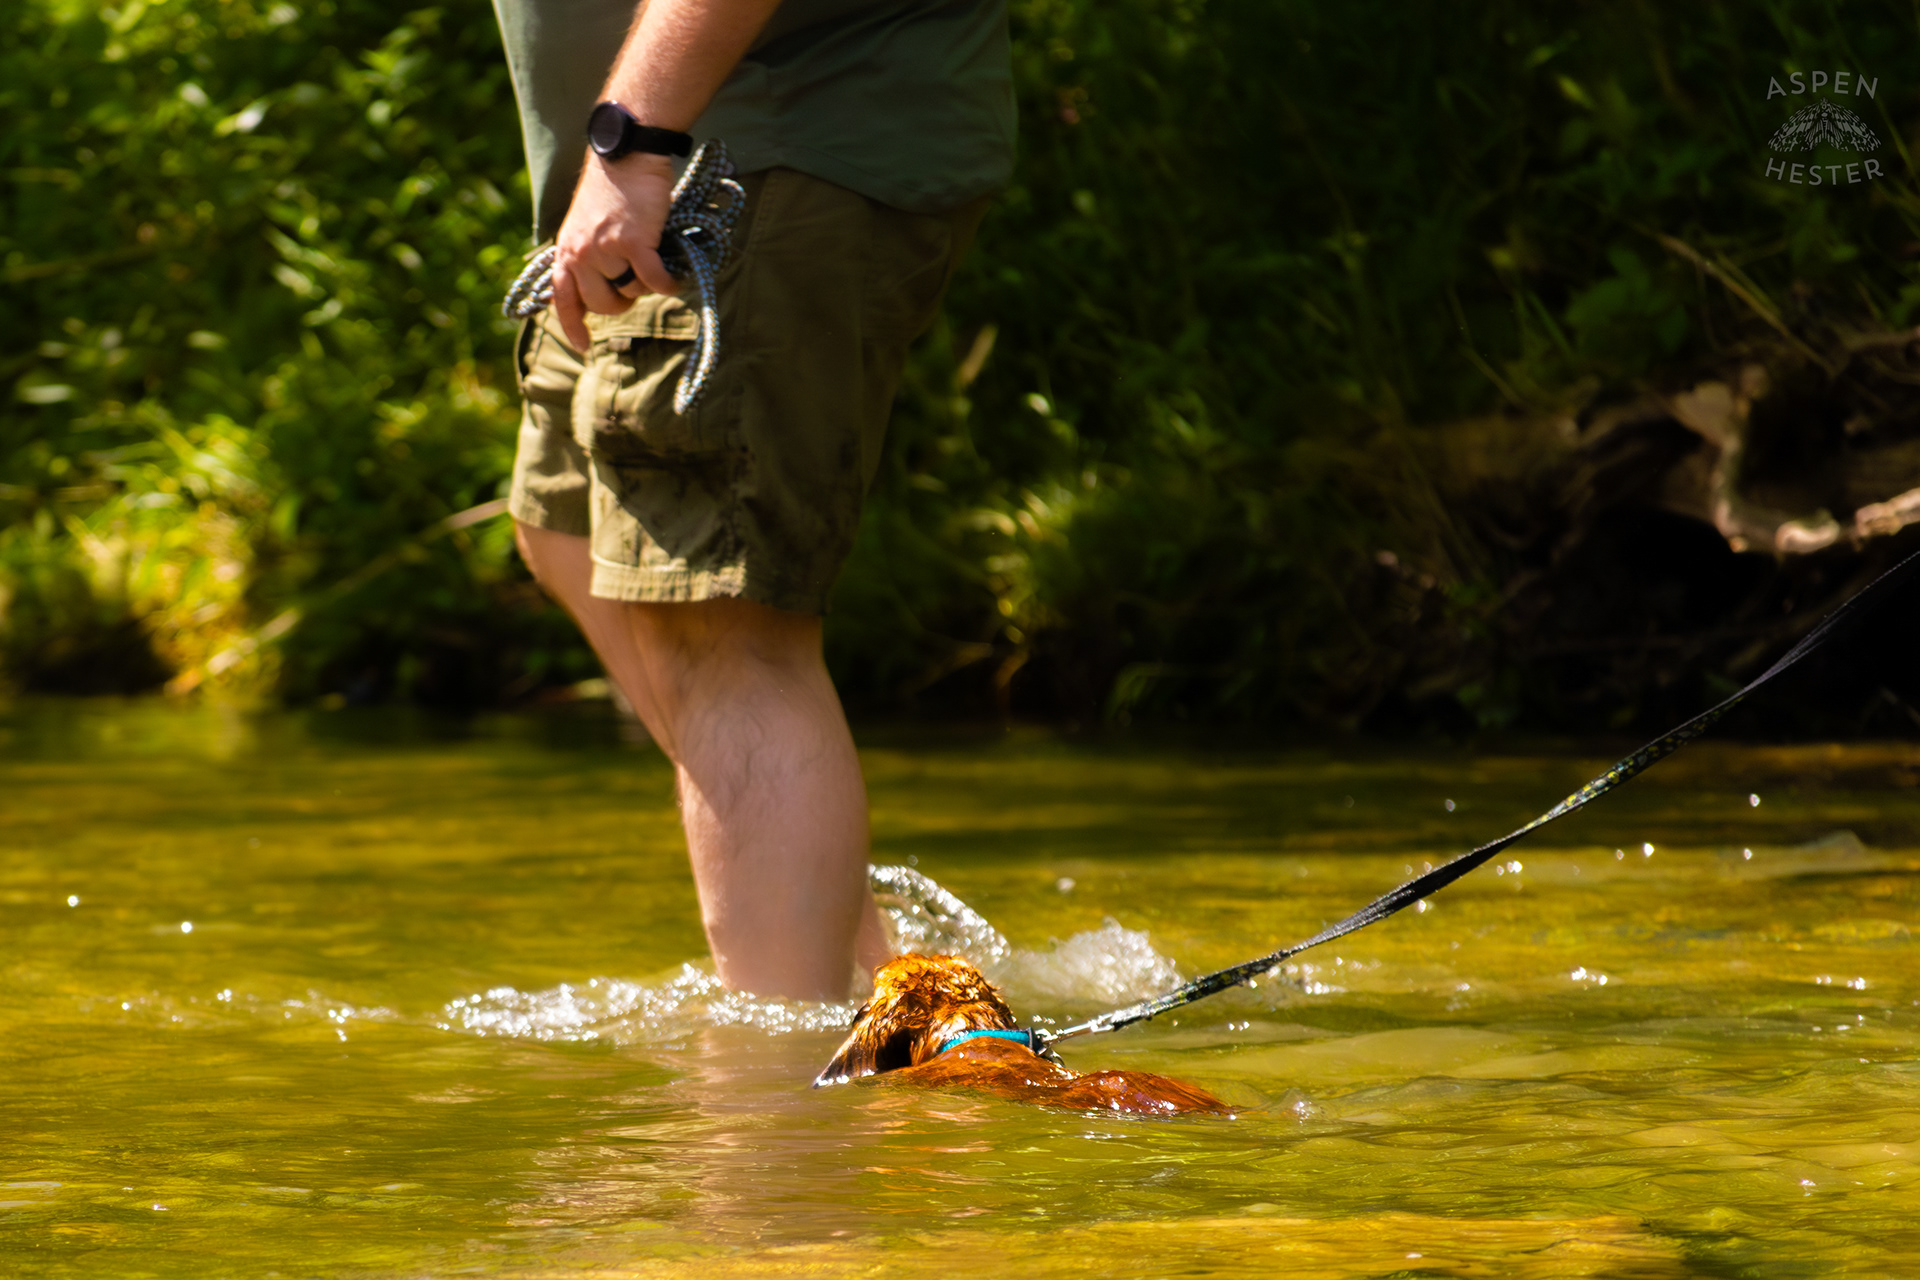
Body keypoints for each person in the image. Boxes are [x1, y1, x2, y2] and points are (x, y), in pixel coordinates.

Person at [490, 0, 1013, 1001]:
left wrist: (633, 136)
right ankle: (889, 991)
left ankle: (779, 1107)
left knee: (723, 630)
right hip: (666, 177)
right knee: (562, 529)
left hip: (736, 157)